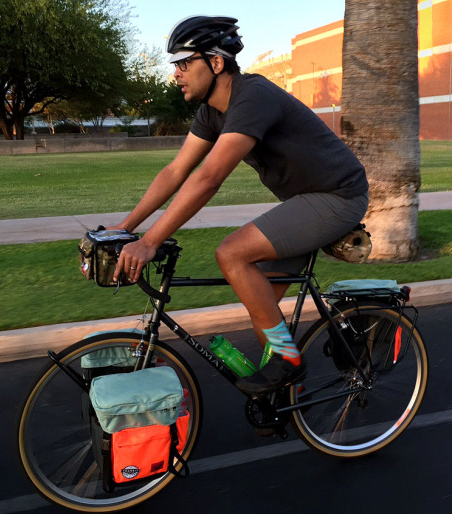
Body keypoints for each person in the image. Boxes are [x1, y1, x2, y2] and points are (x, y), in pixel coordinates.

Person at [110, 16, 369, 395]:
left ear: (216, 63)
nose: (177, 74)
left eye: (184, 63)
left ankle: (289, 363)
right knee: (262, 304)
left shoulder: (252, 96)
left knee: (231, 254)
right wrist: (125, 228)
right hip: (305, 200)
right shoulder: (212, 112)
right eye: (176, 66)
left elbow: (208, 178)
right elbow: (175, 171)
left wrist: (149, 242)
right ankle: (281, 397)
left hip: (338, 195)